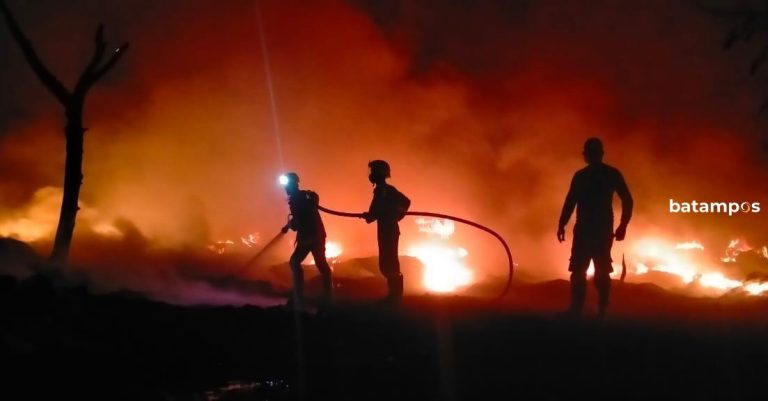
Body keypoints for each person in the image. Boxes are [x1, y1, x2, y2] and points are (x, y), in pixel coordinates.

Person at [557, 138, 633, 318]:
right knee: (596, 270)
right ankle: (599, 310)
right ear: (601, 154)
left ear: (587, 155)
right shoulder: (609, 174)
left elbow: (570, 202)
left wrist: (562, 224)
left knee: (582, 270)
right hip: (599, 229)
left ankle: (582, 310)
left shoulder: (582, 176)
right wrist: (622, 225)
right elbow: (627, 200)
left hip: (589, 229)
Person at [280, 172, 333, 308]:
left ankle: (300, 296)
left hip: (311, 237)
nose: (286, 188)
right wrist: (287, 226)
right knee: (320, 264)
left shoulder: (298, 199)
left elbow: (298, 223)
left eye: (287, 185)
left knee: (295, 262)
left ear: (292, 185)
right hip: (315, 235)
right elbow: (299, 217)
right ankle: (327, 295)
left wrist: (291, 225)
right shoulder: (303, 197)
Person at [362, 160, 411, 305]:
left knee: (389, 262)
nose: (370, 175)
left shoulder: (385, 190)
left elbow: (406, 202)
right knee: (386, 262)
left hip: (389, 230)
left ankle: (395, 297)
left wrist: (397, 215)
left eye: (373, 171)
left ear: (379, 173)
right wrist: (370, 215)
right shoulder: (381, 190)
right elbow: (376, 211)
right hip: (385, 229)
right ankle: (394, 295)